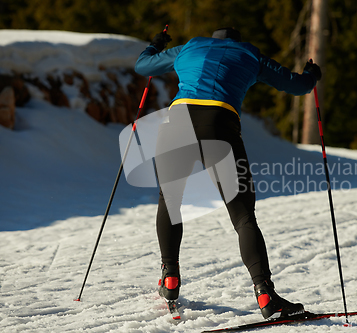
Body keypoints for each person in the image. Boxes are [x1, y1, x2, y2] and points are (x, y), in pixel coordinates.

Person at [135, 27, 321, 319]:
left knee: (169, 201)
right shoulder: (249, 54)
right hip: (219, 125)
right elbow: (297, 86)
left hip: (177, 122)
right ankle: (265, 296)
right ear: (235, 41)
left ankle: (169, 278)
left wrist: (156, 43)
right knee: (243, 216)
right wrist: (311, 74)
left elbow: (143, 65)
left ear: (212, 38)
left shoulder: (190, 47)